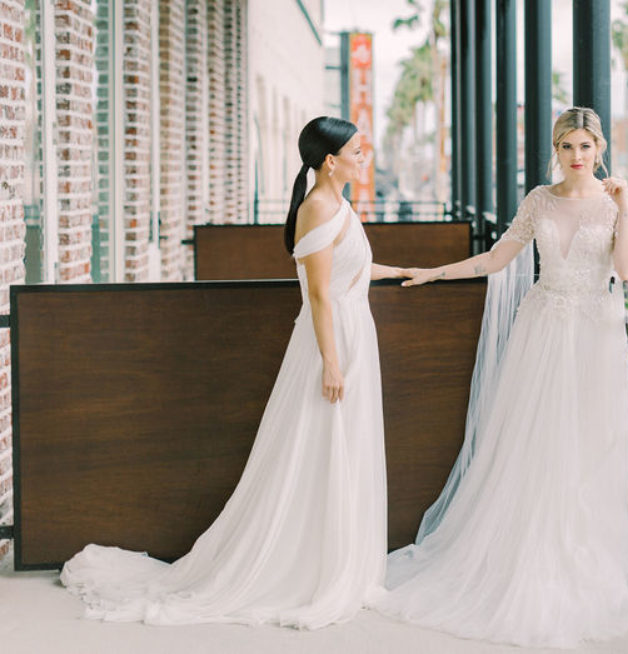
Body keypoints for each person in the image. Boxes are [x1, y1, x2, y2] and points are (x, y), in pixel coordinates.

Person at [61, 117, 412, 629]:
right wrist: (332, 363)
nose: (365, 157)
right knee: (317, 447)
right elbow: (318, 294)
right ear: (330, 160)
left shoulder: (338, 205)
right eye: (357, 150)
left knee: (344, 448)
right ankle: (307, 570)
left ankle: (340, 564)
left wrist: (401, 271)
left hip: (354, 332)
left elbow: (347, 270)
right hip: (331, 342)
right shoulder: (317, 208)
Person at [377, 106, 628, 647]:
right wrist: (433, 273)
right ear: (556, 149)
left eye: (585, 146)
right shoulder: (539, 200)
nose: (576, 156)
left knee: (590, 445)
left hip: (593, 335)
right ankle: (527, 553)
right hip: (541, 331)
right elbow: (497, 260)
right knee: (536, 443)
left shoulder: (614, 201)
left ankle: (580, 556)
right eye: (567, 146)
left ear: (600, 149)